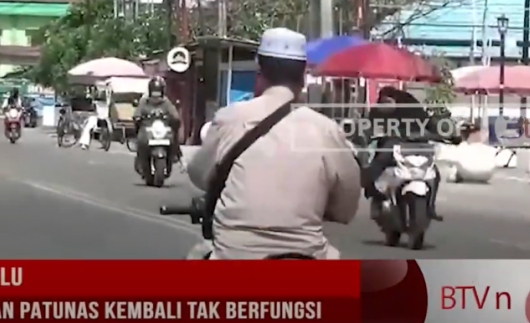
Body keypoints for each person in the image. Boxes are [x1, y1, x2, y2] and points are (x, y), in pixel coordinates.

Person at [186, 27, 361, 260]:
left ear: (259, 75)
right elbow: (346, 209)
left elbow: (199, 174)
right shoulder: (326, 130)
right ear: (302, 78)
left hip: (234, 255)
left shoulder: (230, 119)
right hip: (306, 257)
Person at [362, 86, 462, 221]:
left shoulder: (412, 108)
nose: (386, 104)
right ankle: (374, 191)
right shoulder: (377, 112)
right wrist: (366, 136)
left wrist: (449, 136)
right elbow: (368, 129)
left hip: (418, 148)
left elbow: (429, 123)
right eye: (383, 101)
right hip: (393, 147)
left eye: (389, 100)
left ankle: (430, 206)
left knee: (434, 173)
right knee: (380, 160)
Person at [133, 76, 181, 173]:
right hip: (147, 131)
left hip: (163, 132)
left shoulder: (166, 102)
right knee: (140, 141)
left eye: (158, 93)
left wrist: (175, 118)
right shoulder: (144, 101)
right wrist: (138, 117)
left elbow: (174, 114)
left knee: (174, 139)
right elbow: (137, 113)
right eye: (154, 93)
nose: (156, 96)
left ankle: (174, 155)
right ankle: (140, 159)